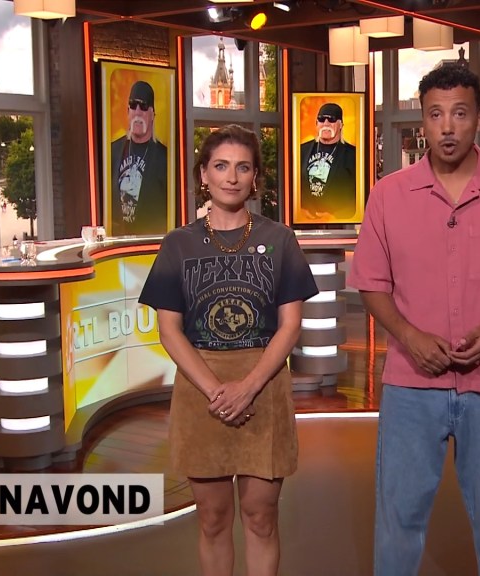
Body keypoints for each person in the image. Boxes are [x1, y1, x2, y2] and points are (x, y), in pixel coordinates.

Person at [348, 63, 480, 576]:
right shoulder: (388, 194)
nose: (447, 127)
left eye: (459, 114)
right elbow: (371, 282)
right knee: (398, 524)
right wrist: (409, 336)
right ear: (422, 121)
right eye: (435, 114)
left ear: (479, 118)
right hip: (410, 387)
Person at [139, 124, 318, 576]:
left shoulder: (281, 240)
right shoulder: (178, 244)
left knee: (261, 517)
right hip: (201, 391)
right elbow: (169, 330)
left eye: (243, 167)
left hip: (264, 387)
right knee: (213, 519)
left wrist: (248, 387)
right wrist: (218, 391)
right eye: (221, 166)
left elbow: (290, 325)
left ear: (255, 177)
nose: (232, 177)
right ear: (204, 174)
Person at [110, 80, 169, 236]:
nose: (137, 112)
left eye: (143, 106)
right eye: (133, 105)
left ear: (152, 114)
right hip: (118, 243)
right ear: (128, 111)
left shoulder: (166, 158)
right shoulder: (112, 151)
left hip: (149, 243)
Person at [299, 102, 358, 220]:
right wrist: (300, 210)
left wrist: (335, 216)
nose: (326, 123)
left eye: (331, 119)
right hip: (304, 222)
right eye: (321, 119)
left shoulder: (354, 155)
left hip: (340, 224)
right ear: (316, 124)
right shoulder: (301, 150)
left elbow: (360, 197)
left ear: (341, 125)